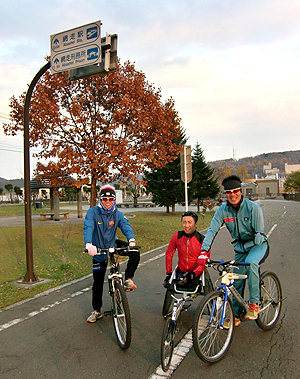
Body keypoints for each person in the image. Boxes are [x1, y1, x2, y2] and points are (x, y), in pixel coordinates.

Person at [199, 175, 269, 328]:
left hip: (257, 246)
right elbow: (212, 231)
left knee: (251, 265)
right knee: (236, 281)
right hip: (240, 248)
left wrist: (258, 235)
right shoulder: (222, 211)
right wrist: (204, 251)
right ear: (226, 194)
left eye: (235, 190)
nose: (233, 194)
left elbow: (260, 231)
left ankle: (254, 304)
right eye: (229, 192)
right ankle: (235, 315)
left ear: (241, 191)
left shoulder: (253, 208)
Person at [83, 184, 140, 323]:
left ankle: (128, 280)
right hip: (98, 250)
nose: (107, 201)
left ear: (114, 200)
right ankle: (96, 311)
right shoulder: (92, 212)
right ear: (100, 199)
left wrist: (131, 239)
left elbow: (125, 225)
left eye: (110, 199)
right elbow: (88, 226)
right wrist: (89, 244)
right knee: (97, 282)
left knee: (135, 252)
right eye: (104, 199)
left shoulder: (117, 214)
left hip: (112, 245)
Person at [163, 211, 210, 289]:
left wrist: (194, 274)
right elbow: (169, 253)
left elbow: (206, 260)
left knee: (192, 285)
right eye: (184, 222)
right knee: (174, 285)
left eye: (189, 222)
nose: (186, 225)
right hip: (182, 269)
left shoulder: (202, 239)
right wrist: (169, 273)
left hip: (196, 271)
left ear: (196, 224)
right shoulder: (176, 236)